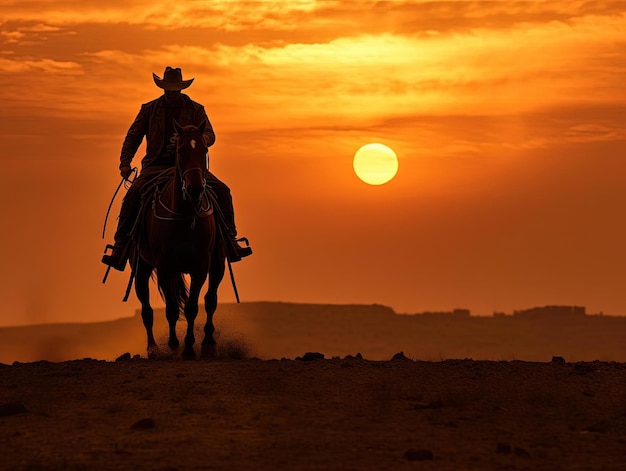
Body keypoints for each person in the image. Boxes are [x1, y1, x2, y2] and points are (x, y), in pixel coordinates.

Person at [102, 66, 252, 271]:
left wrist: (195, 139)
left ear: (180, 89)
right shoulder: (149, 110)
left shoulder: (196, 110)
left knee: (223, 191)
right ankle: (120, 248)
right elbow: (133, 137)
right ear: (163, 88)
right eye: (168, 90)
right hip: (155, 166)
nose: (172, 93)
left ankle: (230, 241)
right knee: (133, 195)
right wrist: (125, 163)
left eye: (175, 90)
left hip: (188, 167)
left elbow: (210, 134)